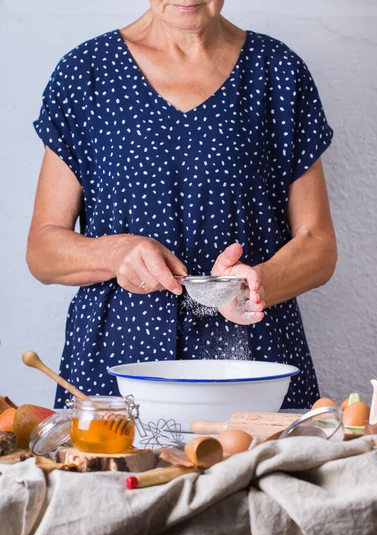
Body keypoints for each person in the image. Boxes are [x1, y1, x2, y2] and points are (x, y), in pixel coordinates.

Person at [27, 0, 337, 409]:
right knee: (115, 471)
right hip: (117, 362)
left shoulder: (277, 72)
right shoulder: (86, 74)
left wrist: (254, 287)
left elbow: (319, 246)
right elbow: (43, 250)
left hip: (251, 364)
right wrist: (115, 252)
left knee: (255, 473)